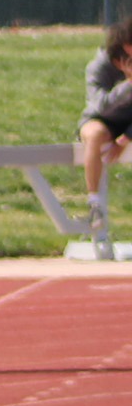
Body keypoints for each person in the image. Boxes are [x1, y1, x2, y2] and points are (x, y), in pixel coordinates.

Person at [80, 18, 132, 258]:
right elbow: (100, 105)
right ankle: (95, 204)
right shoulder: (98, 67)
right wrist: (128, 84)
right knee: (95, 135)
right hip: (104, 120)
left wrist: (125, 139)